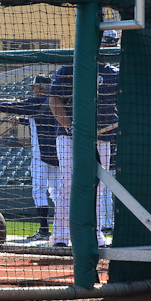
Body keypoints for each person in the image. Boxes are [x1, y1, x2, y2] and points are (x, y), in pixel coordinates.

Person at [48, 32, 119, 248]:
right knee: (69, 184)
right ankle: (60, 236)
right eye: (105, 42)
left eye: (112, 43)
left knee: (98, 187)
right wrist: (69, 126)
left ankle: (95, 234)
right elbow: (54, 100)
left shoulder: (116, 73)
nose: (108, 46)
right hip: (71, 137)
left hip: (102, 137)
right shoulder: (71, 68)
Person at [0, 75, 59, 240]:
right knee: (57, 192)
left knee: (39, 191)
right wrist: (21, 120)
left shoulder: (36, 102)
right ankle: (61, 229)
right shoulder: (55, 102)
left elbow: (15, 106)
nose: (33, 90)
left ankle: (44, 230)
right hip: (57, 154)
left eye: (34, 87)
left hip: (41, 154)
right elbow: (38, 118)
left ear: (39, 88)